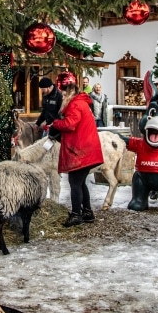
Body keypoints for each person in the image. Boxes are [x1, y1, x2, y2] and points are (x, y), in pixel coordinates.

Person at [50, 71, 104, 227]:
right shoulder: (81, 103)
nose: (61, 94)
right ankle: (87, 212)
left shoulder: (75, 104)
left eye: (62, 91)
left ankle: (76, 215)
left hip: (81, 151)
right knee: (80, 182)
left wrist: (55, 124)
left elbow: (70, 124)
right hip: (86, 149)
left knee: (75, 182)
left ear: (68, 90)